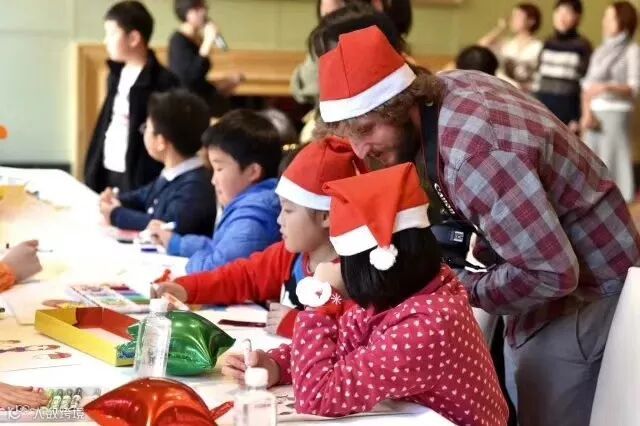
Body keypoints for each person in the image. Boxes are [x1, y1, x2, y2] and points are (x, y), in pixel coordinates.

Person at [312, 25, 640, 426]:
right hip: (558, 264)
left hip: (587, 287)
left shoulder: (473, 155)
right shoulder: (448, 88)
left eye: (366, 130)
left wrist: (459, 289)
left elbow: (551, 273)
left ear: (401, 102)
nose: (362, 149)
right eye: (350, 136)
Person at [221, 163, 509, 425]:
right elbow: (341, 347)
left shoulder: (428, 323)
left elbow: (318, 396)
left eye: (344, 261)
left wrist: (320, 300)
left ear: (376, 263)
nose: (338, 269)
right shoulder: (400, 292)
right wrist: (275, 365)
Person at [152, 138, 363, 337]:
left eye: (288, 211)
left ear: (327, 216)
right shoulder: (288, 256)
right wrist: (187, 288)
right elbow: (243, 277)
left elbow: (358, 334)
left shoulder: (356, 275)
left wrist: (297, 324)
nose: (279, 220)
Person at [146, 110, 282, 274]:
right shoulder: (252, 206)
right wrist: (176, 243)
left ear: (253, 172)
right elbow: (218, 248)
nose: (213, 180)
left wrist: (189, 263)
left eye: (219, 168)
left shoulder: (254, 217)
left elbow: (217, 270)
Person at [84, 1, 179, 193]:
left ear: (134, 38)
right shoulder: (115, 75)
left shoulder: (163, 81)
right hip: (107, 165)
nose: (105, 41)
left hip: (138, 176)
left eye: (111, 34)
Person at [99, 90, 216, 235]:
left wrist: (116, 214)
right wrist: (116, 199)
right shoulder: (173, 173)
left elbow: (165, 227)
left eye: (146, 128)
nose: (144, 132)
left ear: (161, 142)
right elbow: (142, 197)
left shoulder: (195, 187)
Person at [581, 1, 640, 202]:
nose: (605, 22)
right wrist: (586, 113)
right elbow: (587, 86)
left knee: (613, 157)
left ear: (623, 21)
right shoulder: (600, 50)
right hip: (593, 111)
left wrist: (606, 87)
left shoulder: (632, 50)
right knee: (591, 160)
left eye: (610, 17)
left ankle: (620, 201)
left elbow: (634, 87)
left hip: (616, 111)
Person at [169, 0, 243, 117]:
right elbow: (189, 79)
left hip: (200, 102)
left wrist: (225, 83)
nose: (203, 11)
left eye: (203, 7)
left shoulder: (195, 39)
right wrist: (208, 41)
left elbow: (199, 81)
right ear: (186, 13)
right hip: (189, 109)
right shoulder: (178, 41)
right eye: (197, 9)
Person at [534, 0, 592, 129]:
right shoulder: (547, 43)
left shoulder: (582, 46)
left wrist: (577, 117)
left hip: (568, 111)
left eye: (567, 13)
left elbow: (586, 83)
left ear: (578, 17)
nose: (562, 17)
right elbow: (539, 77)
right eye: (559, 12)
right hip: (543, 108)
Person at [478, 3, 542, 91]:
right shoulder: (508, 44)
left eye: (518, 16)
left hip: (528, 93)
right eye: (513, 16)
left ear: (531, 21)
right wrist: (501, 28)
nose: (513, 20)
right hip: (505, 92)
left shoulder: (539, 46)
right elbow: (481, 47)